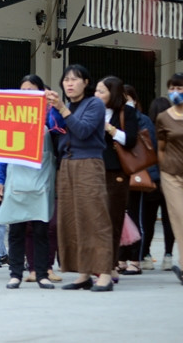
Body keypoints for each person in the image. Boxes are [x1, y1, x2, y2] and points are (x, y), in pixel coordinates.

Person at [46, 64, 114, 292]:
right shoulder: (67, 106)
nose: (70, 83)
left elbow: (83, 131)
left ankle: (104, 273)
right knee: (72, 220)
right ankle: (83, 273)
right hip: (66, 164)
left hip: (88, 164)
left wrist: (63, 110)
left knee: (95, 219)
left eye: (75, 79)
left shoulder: (94, 103)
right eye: (66, 80)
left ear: (86, 82)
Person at [0, 74, 57, 289]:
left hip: (41, 182)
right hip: (16, 182)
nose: (28, 94)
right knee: (17, 230)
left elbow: (61, 129)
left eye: (32, 90)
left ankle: (41, 274)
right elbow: (3, 152)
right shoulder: (11, 118)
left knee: (41, 230)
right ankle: (15, 274)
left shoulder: (50, 115)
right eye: (24, 90)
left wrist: (52, 105)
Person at [94, 75, 138, 280]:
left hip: (117, 172)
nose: (97, 95)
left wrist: (109, 128)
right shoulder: (94, 110)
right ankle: (100, 264)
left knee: (113, 220)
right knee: (95, 221)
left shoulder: (126, 112)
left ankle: (110, 265)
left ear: (113, 93)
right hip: (94, 170)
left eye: (101, 91)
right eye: (96, 91)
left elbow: (129, 140)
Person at [119, 83, 153, 275]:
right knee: (120, 217)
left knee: (134, 216)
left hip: (135, 173)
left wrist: (131, 113)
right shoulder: (115, 117)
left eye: (127, 98)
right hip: (118, 174)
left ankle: (135, 260)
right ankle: (121, 258)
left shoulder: (143, 119)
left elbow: (149, 146)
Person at [155, 73, 183, 285]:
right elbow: (161, 147)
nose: (176, 92)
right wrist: (164, 168)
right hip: (171, 174)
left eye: (180, 88)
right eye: (172, 88)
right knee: (179, 218)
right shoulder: (163, 117)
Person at [147, 96, 176, 271]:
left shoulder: (146, 128)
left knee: (148, 221)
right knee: (169, 220)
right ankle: (168, 255)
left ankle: (146, 256)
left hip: (151, 180)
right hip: (170, 178)